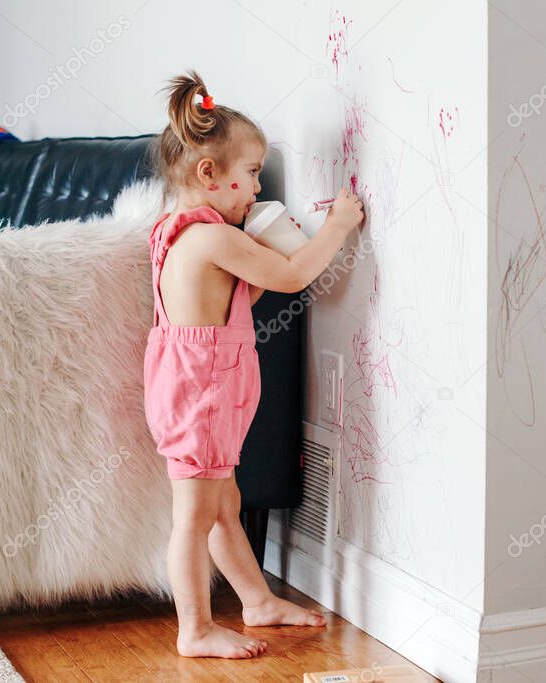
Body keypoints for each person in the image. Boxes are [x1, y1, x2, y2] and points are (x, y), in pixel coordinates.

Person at [143, 69, 365, 659]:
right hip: (203, 392)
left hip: (195, 386)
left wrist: (261, 251)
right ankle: (193, 628)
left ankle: (256, 600)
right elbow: (293, 277)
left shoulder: (180, 231)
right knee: (194, 514)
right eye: (250, 174)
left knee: (224, 506)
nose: (257, 188)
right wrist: (338, 227)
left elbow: (245, 298)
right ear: (208, 174)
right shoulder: (212, 239)